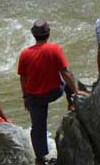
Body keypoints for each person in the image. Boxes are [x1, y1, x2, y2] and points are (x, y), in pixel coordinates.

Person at [18, 19, 87, 165]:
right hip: (54, 92)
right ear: (48, 34)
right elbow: (65, 72)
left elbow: (23, 79)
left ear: (33, 35)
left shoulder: (24, 54)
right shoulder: (54, 49)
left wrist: (25, 97)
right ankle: (71, 103)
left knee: (38, 127)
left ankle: (40, 159)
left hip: (34, 97)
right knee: (68, 72)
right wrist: (75, 90)